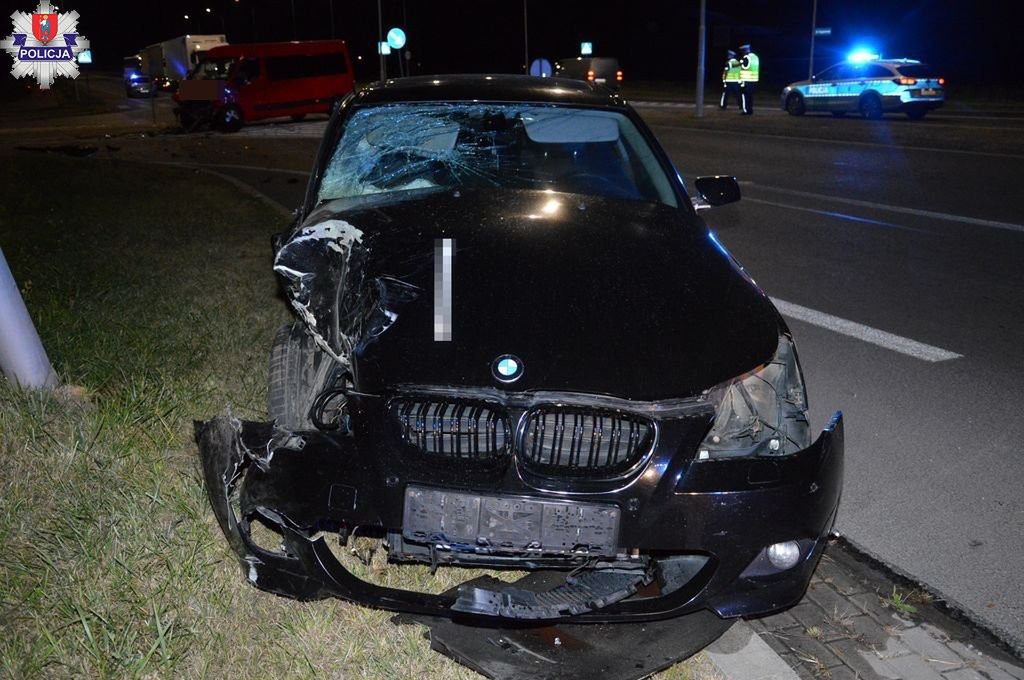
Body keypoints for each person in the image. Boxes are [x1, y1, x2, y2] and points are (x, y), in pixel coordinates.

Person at [738, 44, 760, 115]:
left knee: (745, 96)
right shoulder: (755, 57)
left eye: (742, 51)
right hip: (754, 80)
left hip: (746, 80)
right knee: (750, 97)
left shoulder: (746, 58)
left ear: (745, 51)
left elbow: (743, 67)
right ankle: (750, 110)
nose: (742, 53)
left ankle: (746, 110)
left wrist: (741, 63)